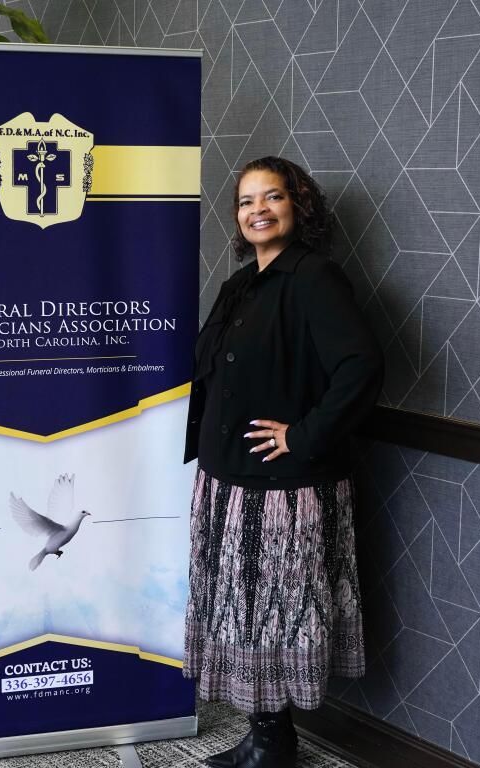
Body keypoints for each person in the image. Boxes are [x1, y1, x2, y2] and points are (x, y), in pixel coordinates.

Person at [183, 156, 383, 768]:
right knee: (242, 616)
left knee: (273, 618)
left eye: (272, 197)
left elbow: (361, 367)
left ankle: (272, 748)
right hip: (228, 480)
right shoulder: (240, 284)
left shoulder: (315, 277)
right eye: (246, 201)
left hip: (282, 490)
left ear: (298, 205)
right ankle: (270, 736)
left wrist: (303, 435)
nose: (258, 210)